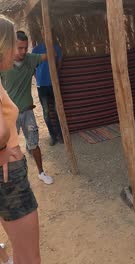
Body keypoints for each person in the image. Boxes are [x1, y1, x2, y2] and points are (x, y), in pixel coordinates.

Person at [0, 16, 41, 264]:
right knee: (29, 256)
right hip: (8, 173)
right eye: (13, 45)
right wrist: (3, 148)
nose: (17, 51)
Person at [0, 30, 53, 185]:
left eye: (25, 47)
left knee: (34, 144)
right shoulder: (3, 64)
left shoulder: (30, 59)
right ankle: (9, 178)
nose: (23, 51)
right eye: (19, 48)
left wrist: (46, 38)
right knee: (8, 148)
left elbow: (48, 56)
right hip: (9, 116)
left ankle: (41, 172)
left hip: (27, 112)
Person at [32, 30, 63, 146]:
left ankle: (61, 135)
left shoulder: (57, 48)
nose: (47, 35)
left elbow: (59, 64)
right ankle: (52, 136)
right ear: (42, 34)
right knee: (46, 112)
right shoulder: (36, 49)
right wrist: (39, 78)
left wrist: (53, 76)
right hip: (42, 86)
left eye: (49, 33)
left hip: (54, 85)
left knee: (57, 110)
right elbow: (32, 67)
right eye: (45, 33)